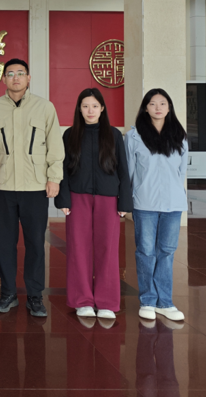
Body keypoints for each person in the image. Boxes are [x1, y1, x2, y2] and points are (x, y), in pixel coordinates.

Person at [0, 58, 64, 317]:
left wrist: (54, 178)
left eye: (20, 73)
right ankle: (8, 293)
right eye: (10, 73)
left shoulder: (45, 107)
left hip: (35, 186)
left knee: (35, 243)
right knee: (4, 243)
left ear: (28, 78)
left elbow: (54, 145)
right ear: (4, 78)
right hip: (3, 186)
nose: (15, 78)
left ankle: (35, 296)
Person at [55, 88, 132, 320]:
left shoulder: (114, 135)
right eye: (86, 106)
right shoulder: (70, 135)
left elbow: (123, 169)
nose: (90, 110)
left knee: (108, 249)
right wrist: (63, 198)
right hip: (77, 197)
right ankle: (83, 301)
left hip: (108, 198)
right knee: (78, 249)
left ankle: (107, 302)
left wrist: (124, 201)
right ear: (79, 109)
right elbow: (63, 169)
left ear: (102, 108)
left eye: (95, 106)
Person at [126, 88, 188, 322]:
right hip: (145, 203)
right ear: (145, 108)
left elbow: (181, 171)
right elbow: (129, 171)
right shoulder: (134, 137)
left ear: (169, 107)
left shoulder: (179, 137)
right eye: (153, 103)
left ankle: (165, 302)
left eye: (163, 103)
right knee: (146, 251)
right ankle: (148, 300)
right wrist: (128, 199)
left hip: (173, 203)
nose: (158, 108)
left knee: (167, 251)